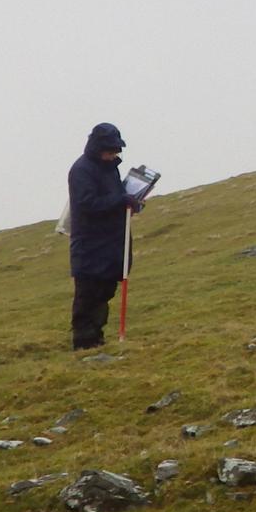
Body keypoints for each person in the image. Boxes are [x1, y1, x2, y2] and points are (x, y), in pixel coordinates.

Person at [67, 122, 143, 350]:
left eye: (116, 151)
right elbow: (87, 203)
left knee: (104, 292)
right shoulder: (81, 170)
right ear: (98, 147)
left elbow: (115, 196)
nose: (113, 155)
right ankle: (84, 343)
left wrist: (131, 202)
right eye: (110, 151)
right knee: (88, 294)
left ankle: (96, 338)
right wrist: (120, 201)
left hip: (110, 244)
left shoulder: (110, 168)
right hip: (91, 246)